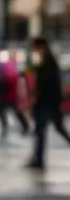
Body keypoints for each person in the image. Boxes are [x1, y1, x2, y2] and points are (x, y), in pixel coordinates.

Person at [26, 37, 70, 170]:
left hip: (47, 102)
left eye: (36, 48)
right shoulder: (47, 63)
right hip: (50, 102)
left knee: (45, 130)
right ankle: (37, 159)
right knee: (45, 130)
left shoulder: (48, 64)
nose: (35, 51)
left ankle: (38, 160)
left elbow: (45, 85)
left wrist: (36, 99)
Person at [0, 49, 30, 139]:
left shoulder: (1, 69)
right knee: (4, 112)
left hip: (6, 95)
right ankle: (22, 127)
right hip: (8, 95)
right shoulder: (10, 69)